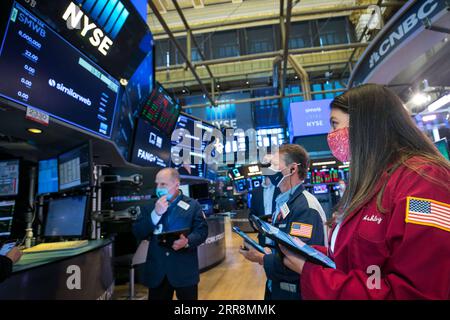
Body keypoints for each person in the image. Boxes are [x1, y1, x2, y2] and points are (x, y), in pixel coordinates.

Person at [280, 83, 450, 300]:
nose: (330, 135)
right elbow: (360, 261)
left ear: (365, 125)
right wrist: (310, 254)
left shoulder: (424, 184)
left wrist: (313, 275)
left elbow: (414, 292)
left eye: (334, 125)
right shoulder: (373, 181)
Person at [240, 144, 328, 300]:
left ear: (293, 169)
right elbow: (286, 246)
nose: (269, 170)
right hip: (278, 287)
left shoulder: (305, 208)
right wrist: (268, 251)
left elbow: (300, 262)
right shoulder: (285, 203)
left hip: (297, 293)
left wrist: (261, 258)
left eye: (274, 165)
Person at [132, 168, 208, 300]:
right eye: (157, 184)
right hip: (157, 272)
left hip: (184, 272)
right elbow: (138, 232)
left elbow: (202, 231)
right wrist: (156, 214)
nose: (158, 188)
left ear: (177, 184)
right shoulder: (149, 207)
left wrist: (188, 241)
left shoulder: (193, 205)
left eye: (163, 184)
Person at [248, 176, 281, 246]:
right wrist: (254, 224)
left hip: (279, 238)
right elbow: (252, 214)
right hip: (263, 237)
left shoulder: (280, 189)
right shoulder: (256, 192)